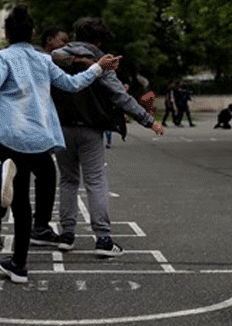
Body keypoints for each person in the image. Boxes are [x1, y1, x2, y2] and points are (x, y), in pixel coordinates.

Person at [0, 4, 121, 283]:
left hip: (2, 130)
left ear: (6, 33)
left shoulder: (4, 56)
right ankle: (19, 265)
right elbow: (72, 84)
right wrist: (98, 67)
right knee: (21, 201)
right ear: (33, 33)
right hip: (32, 138)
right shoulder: (43, 59)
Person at [50, 17, 164, 256]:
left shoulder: (56, 55)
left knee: (68, 181)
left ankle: (67, 235)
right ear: (99, 39)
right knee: (95, 181)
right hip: (91, 128)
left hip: (61, 127)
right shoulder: (102, 62)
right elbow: (120, 97)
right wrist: (148, 120)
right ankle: (103, 239)